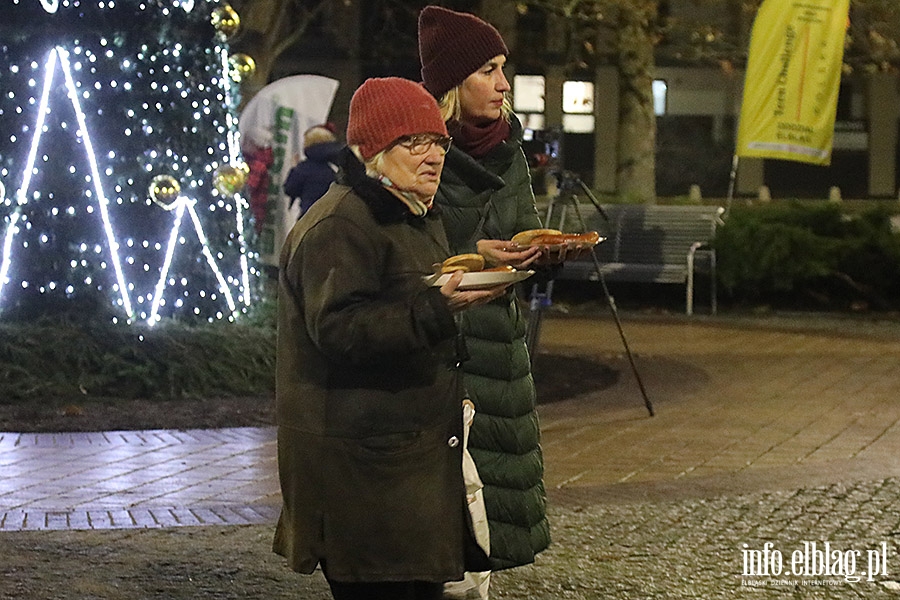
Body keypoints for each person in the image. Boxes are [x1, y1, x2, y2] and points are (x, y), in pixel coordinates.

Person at [273, 76, 503, 600]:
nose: (434, 156)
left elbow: (404, 292)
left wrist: (480, 266)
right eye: (414, 143)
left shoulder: (408, 212)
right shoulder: (341, 224)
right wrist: (437, 309)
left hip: (402, 469)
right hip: (364, 478)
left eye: (439, 142)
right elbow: (339, 330)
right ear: (372, 149)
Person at [417, 5, 551, 575]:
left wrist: (539, 250)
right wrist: (481, 251)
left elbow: (519, 224)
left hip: (501, 337)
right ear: (453, 83)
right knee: (449, 497)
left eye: (503, 68)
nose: (502, 84)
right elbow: (413, 248)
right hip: (446, 340)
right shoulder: (420, 147)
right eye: (488, 70)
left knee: (495, 497)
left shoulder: (509, 147)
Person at [282, 124, 342, 217]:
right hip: (334, 217)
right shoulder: (339, 165)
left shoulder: (304, 168)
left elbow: (290, 189)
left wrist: (294, 168)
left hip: (308, 217)